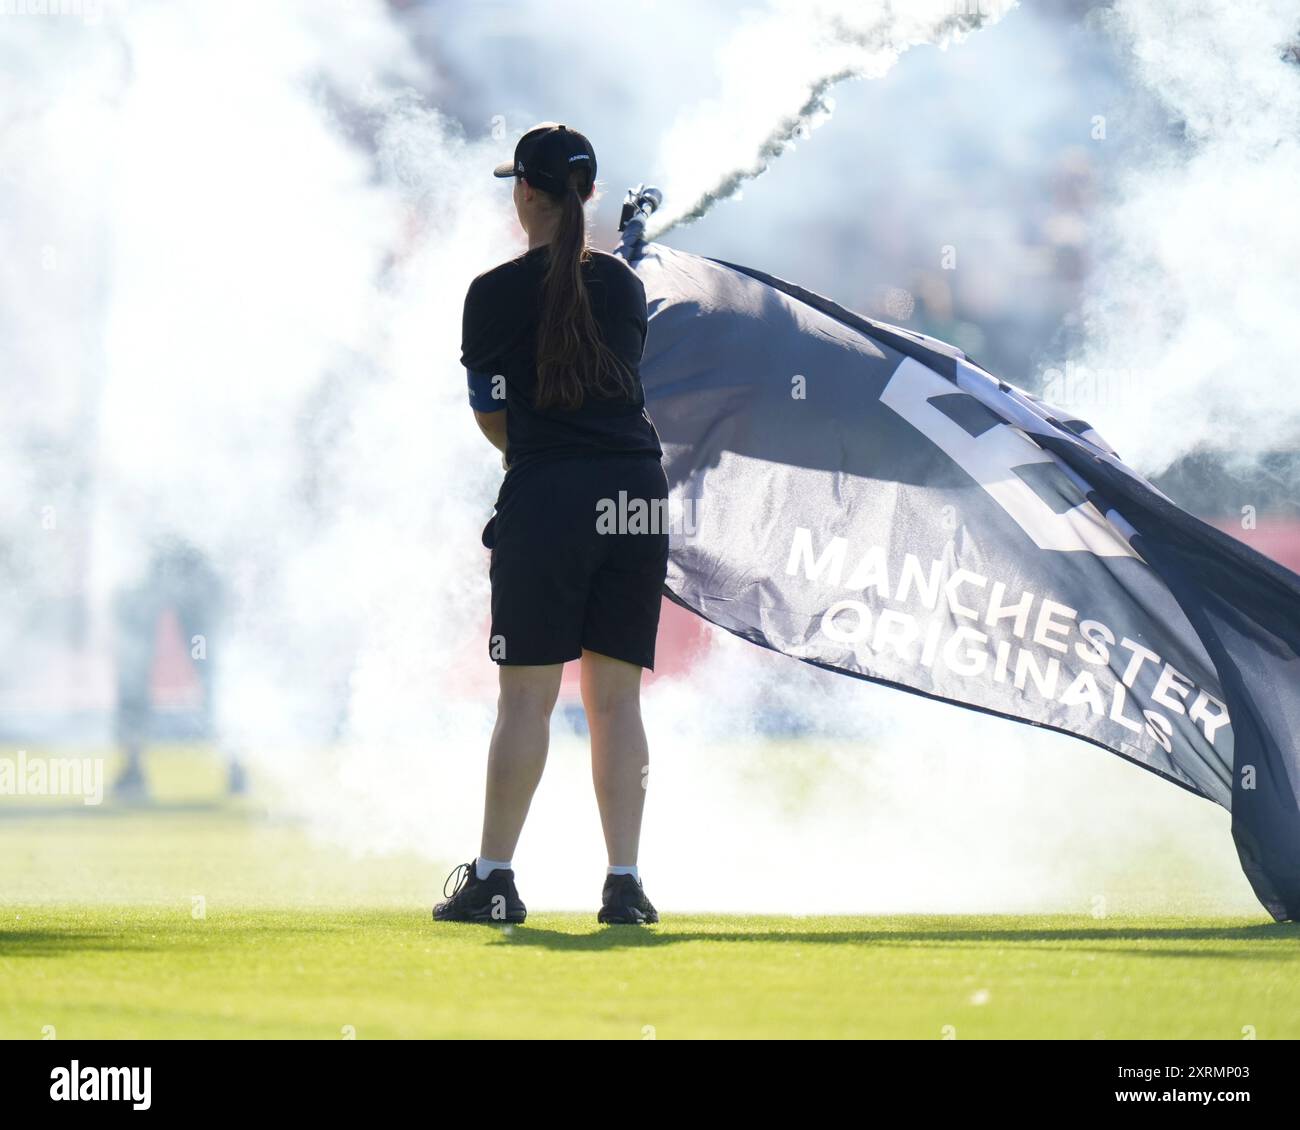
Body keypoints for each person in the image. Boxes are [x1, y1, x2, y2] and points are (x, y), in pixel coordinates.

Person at [434, 124, 669, 926]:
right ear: (589, 195)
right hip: (636, 495)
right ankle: (625, 883)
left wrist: (541, 454)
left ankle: (494, 879)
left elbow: (497, 421)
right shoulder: (625, 287)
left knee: (526, 702)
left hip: (550, 499)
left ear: (524, 193)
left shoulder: (491, 293)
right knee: (617, 704)